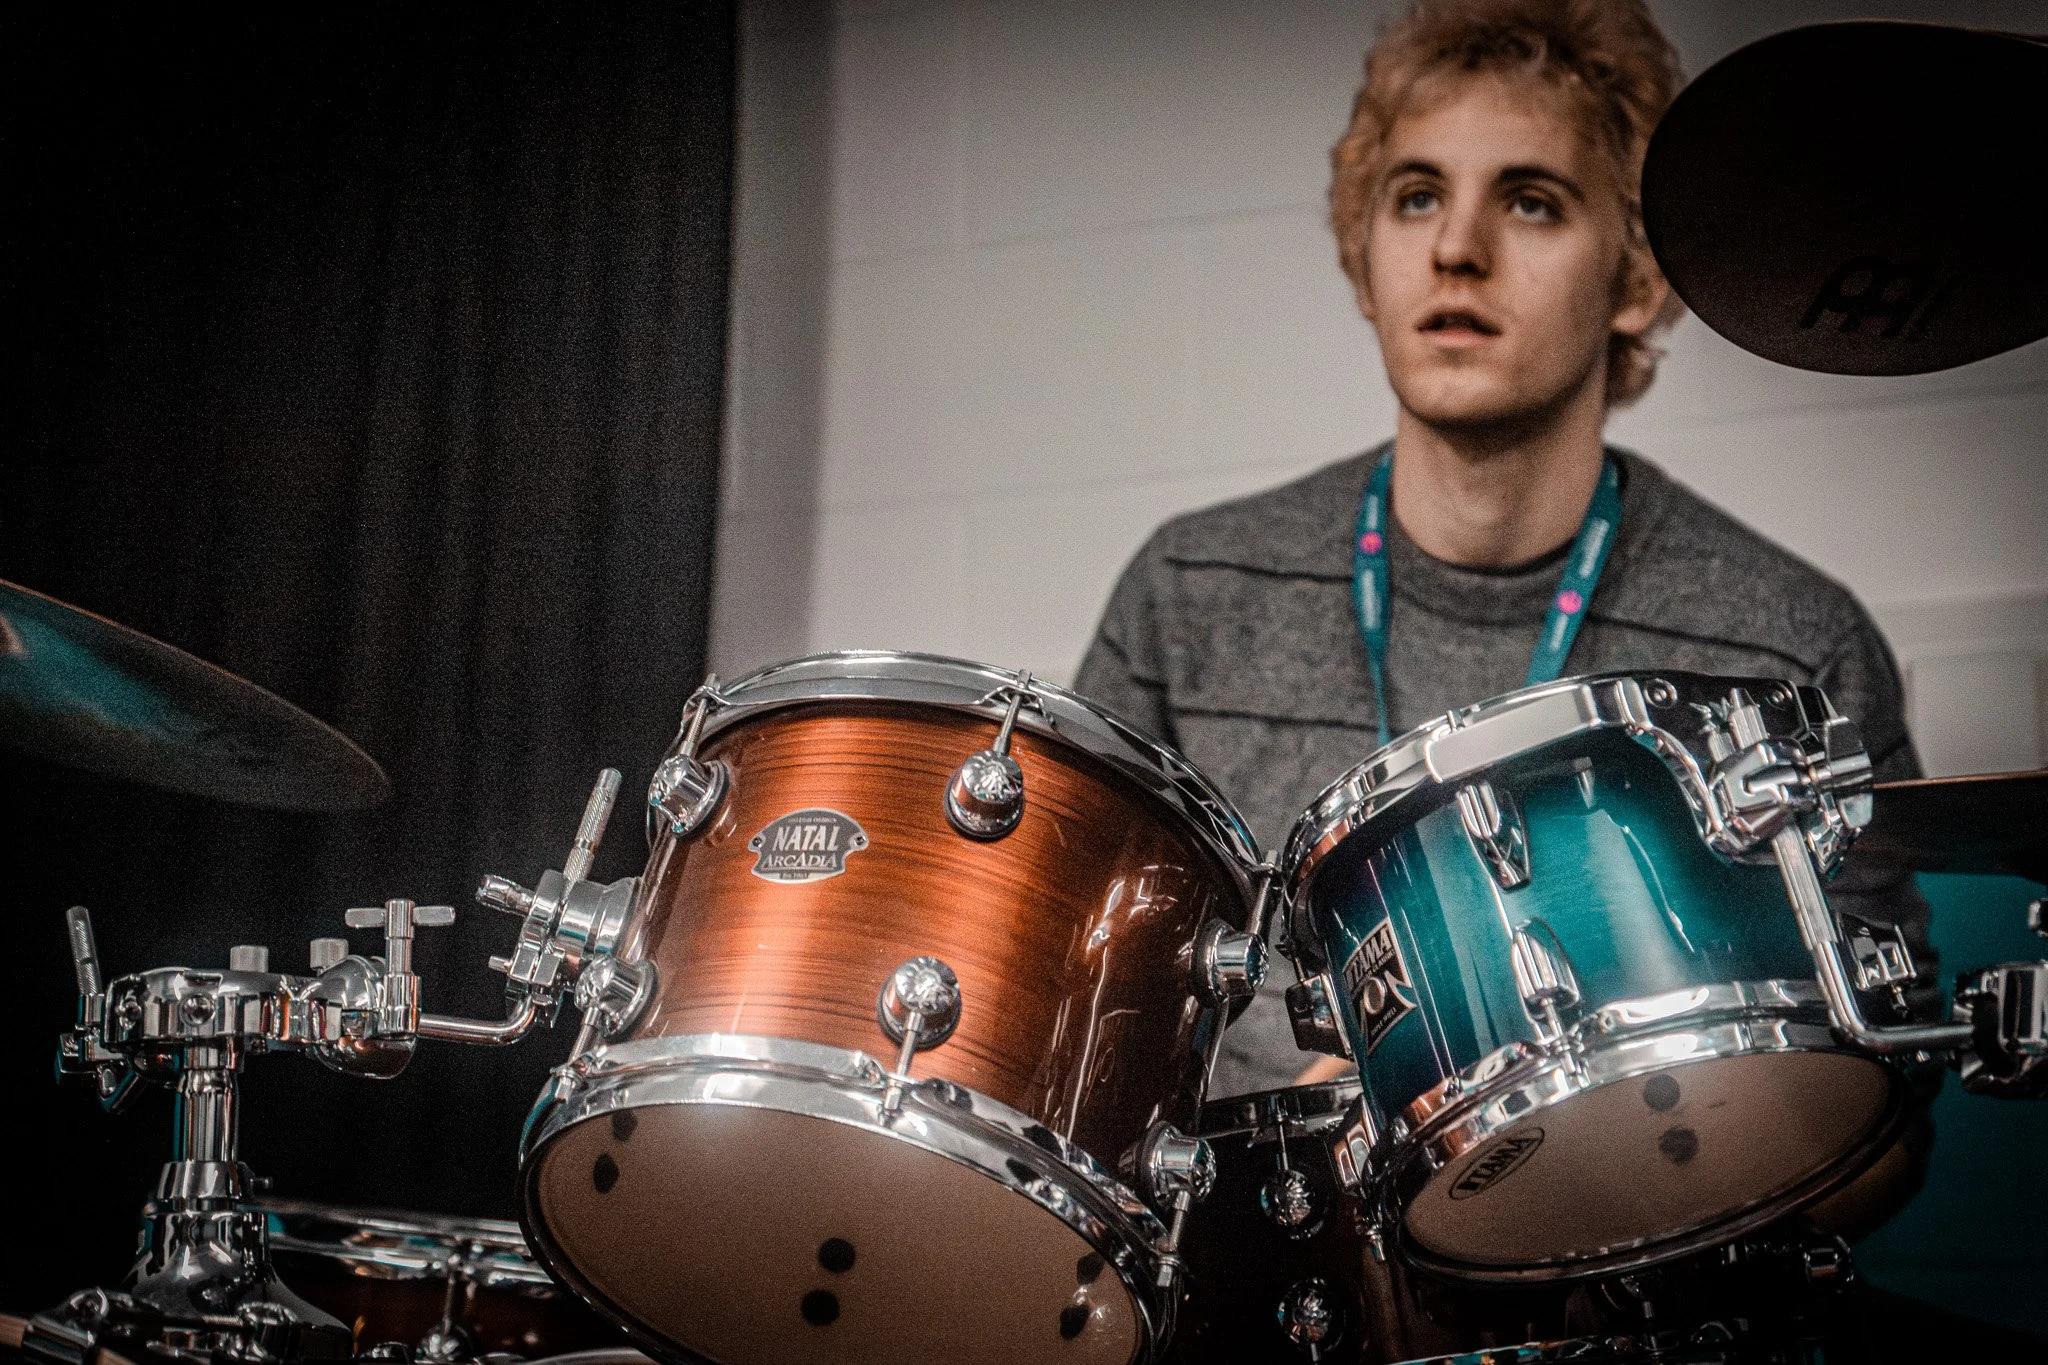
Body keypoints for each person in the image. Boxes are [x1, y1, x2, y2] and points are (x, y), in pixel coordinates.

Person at [1073, 0, 1930, 1105]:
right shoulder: (1186, 595)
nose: (1454, 250)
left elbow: (1888, 1101)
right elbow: (1078, 1005)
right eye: (1415, 196)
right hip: (1269, 1259)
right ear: (1363, 254)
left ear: (1634, 280)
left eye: (1529, 202)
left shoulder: (1788, 649)